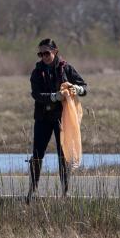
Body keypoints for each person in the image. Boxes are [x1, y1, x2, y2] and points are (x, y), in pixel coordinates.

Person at [28, 38, 87, 201]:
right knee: (37, 154)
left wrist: (77, 88)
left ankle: (65, 192)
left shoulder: (66, 68)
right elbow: (36, 94)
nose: (44, 56)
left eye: (46, 52)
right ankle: (32, 190)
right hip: (42, 118)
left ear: (55, 51)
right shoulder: (37, 72)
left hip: (62, 118)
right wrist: (54, 97)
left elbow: (84, 87)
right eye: (40, 53)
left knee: (64, 155)